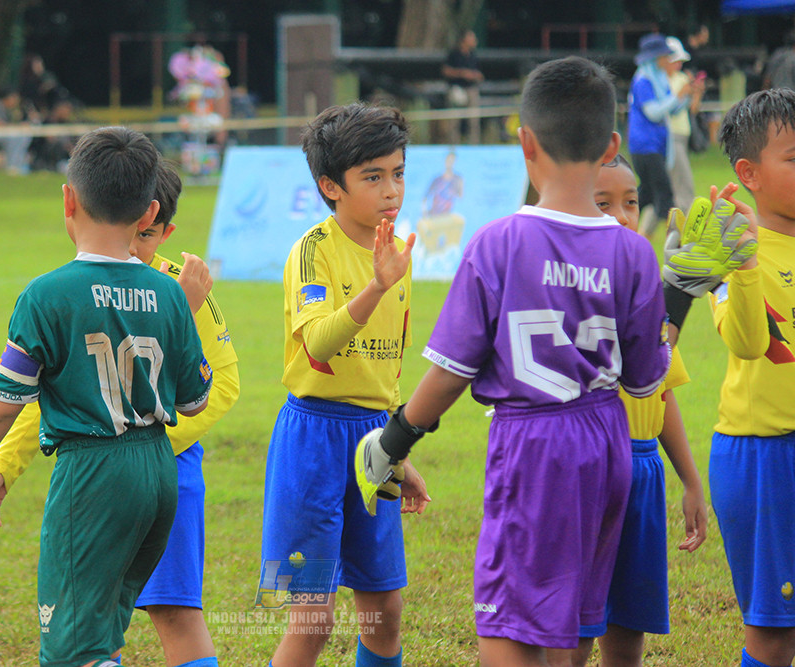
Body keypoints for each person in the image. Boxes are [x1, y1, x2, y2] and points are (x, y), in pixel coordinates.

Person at [357, 56, 678, 667]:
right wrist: (678, 297)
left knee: (508, 624)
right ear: (612, 144)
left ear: (525, 142)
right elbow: (644, 379)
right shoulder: (635, 254)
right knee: (575, 617)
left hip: (533, 444)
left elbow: (452, 368)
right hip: (606, 440)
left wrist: (393, 439)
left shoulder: (498, 243)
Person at [0, 126, 213, 667]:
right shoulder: (171, 294)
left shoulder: (47, 295)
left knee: (71, 651)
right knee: (102, 632)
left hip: (93, 476)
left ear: (68, 198)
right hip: (158, 472)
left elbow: (0, 404)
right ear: (150, 214)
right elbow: (195, 400)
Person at [261, 102, 430, 667]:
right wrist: (376, 289)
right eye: (373, 176)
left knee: (384, 612)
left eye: (399, 173)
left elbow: (385, 373)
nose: (392, 190)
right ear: (331, 186)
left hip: (373, 442)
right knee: (313, 620)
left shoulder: (396, 257)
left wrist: (397, 453)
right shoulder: (313, 250)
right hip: (313, 438)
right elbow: (317, 346)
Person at [548, 155, 708, 667]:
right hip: (589, 465)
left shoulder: (644, 285)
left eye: (631, 202)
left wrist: (690, 480)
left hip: (643, 470)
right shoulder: (566, 286)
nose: (622, 215)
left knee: (628, 628)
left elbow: (661, 390)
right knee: (573, 633)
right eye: (604, 203)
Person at [712, 87, 795, 667]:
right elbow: (747, 341)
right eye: (793, 157)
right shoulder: (727, 251)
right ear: (750, 173)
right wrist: (741, 266)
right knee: (774, 634)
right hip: (767, 456)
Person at [627, 33, 696, 237]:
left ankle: (627, 229)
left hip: (657, 145)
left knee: (647, 193)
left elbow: (671, 110)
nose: (668, 59)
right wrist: (677, 96)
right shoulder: (642, 81)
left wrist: (686, 95)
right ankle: (674, 239)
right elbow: (653, 112)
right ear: (655, 57)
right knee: (664, 193)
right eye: (665, 56)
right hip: (644, 146)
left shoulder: (659, 79)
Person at [666, 37, 706, 210]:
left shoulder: (682, 77)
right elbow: (667, 108)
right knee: (683, 184)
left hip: (683, 135)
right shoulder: (661, 81)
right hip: (671, 135)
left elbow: (693, 109)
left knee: (676, 183)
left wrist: (697, 92)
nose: (678, 65)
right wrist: (683, 92)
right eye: (675, 61)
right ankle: (685, 224)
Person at [442, 29, 484, 144]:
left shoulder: (473, 55)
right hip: (457, 89)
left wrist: (475, 76)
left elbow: (479, 74)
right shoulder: (454, 54)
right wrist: (462, 73)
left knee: (473, 119)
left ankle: (474, 145)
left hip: (471, 89)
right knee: (454, 120)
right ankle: (453, 144)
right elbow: (446, 71)